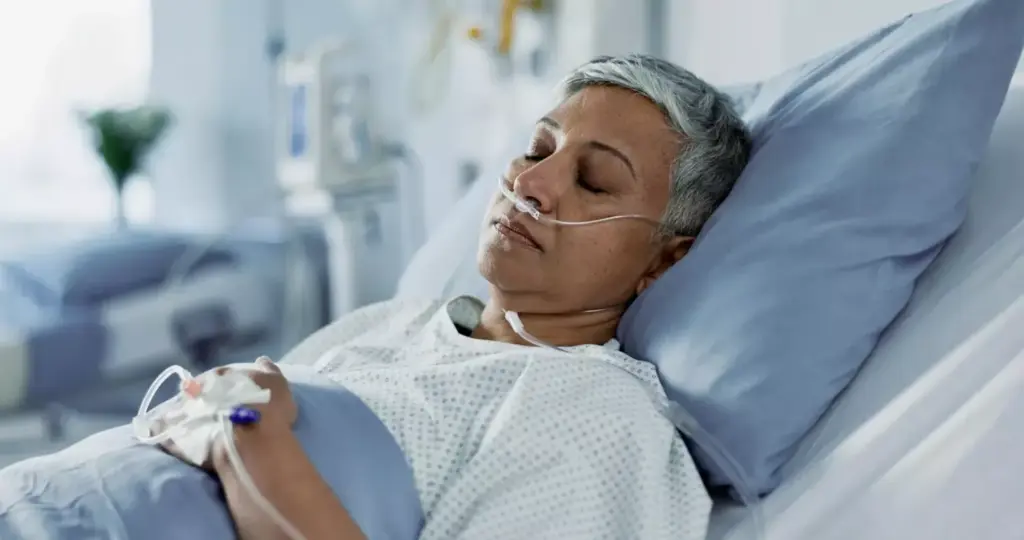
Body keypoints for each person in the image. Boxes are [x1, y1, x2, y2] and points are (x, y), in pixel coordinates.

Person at [2, 53, 750, 540]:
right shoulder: (390, 325)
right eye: (538, 148)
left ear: (666, 257)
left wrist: (244, 438)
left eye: (593, 181)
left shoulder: (599, 418)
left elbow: (238, 419)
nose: (531, 183)